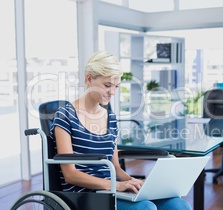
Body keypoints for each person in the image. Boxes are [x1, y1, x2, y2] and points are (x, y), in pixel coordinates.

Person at [50, 51, 191, 210]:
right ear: (89, 79)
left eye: (116, 86)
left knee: (178, 204)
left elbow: (115, 167)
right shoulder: (65, 115)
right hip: (85, 196)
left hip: (111, 190)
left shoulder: (110, 117)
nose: (112, 92)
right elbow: (70, 174)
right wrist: (116, 185)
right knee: (145, 208)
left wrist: (133, 182)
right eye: (107, 85)